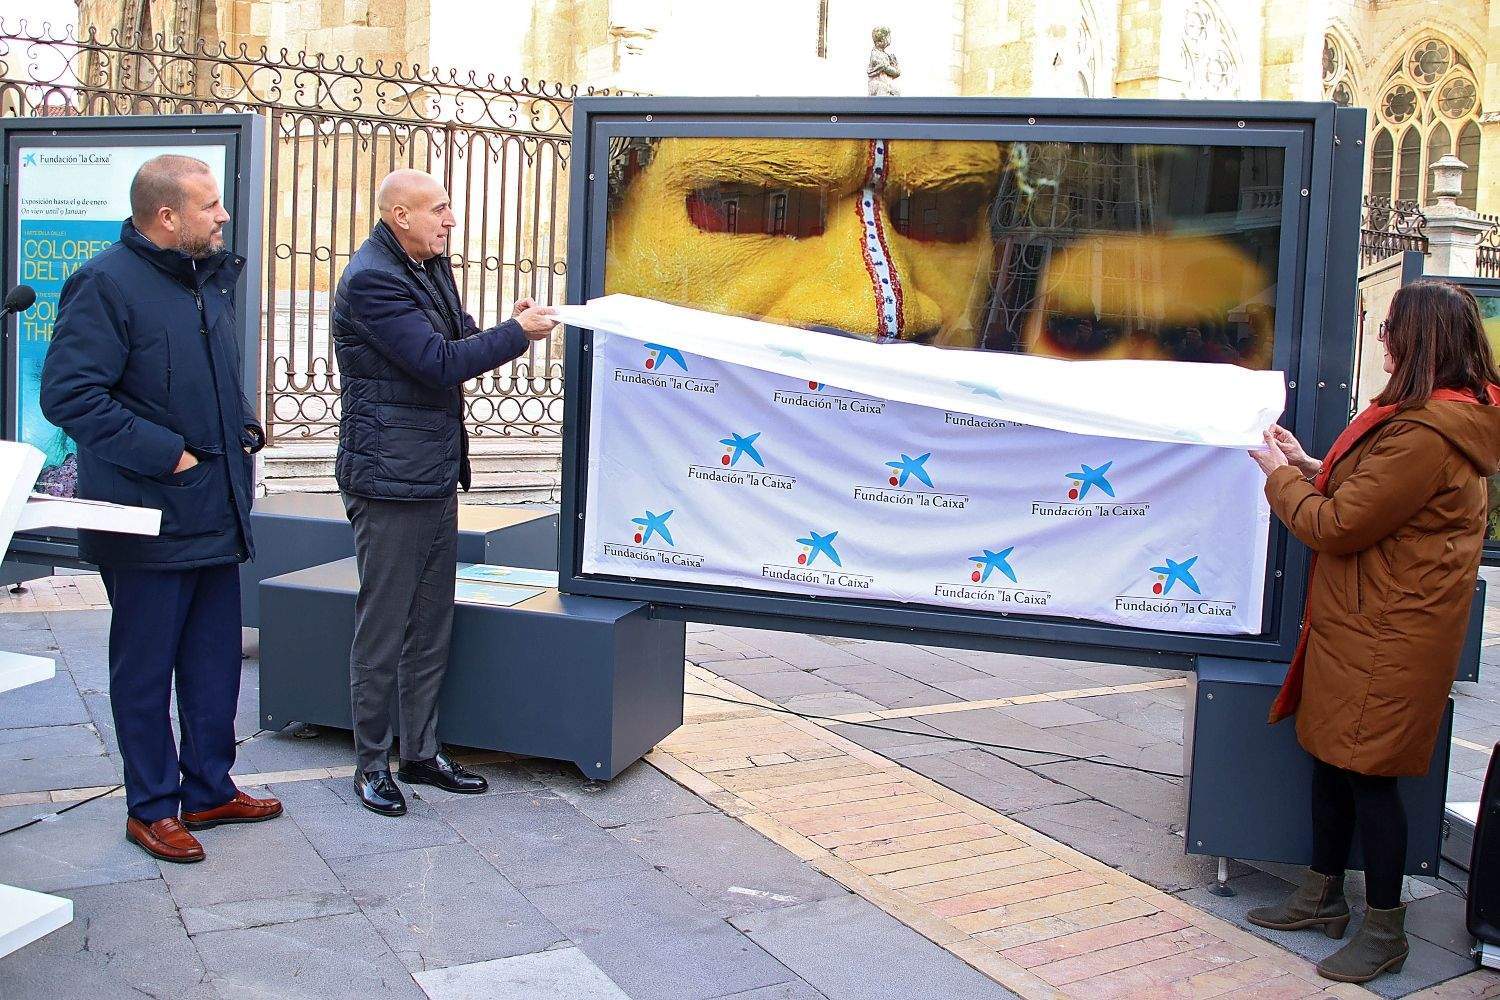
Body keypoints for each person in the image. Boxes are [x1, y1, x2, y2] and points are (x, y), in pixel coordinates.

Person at [1247, 279, 1500, 984]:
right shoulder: (1431, 419)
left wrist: (1276, 477)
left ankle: (1385, 931)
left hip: (1390, 633)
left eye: (1390, 328)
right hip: (1368, 623)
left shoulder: (1426, 432)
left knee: (1368, 777)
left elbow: (1337, 524)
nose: (1382, 339)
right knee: (1332, 760)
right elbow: (1377, 495)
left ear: (1419, 340)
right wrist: (1310, 465)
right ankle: (1321, 895)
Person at [40, 155, 281, 864]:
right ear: (167, 215)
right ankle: (150, 807)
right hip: (145, 515)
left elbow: (215, 372)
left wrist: (242, 427)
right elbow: (72, 396)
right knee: (145, 671)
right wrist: (168, 454)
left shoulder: (206, 277)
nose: (224, 215)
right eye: (210, 205)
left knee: (214, 662)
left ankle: (208, 786)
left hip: (215, 508)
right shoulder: (105, 282)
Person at [333, 169, 557, 816]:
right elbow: (436, 362)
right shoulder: (373, 279)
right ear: (398, 214)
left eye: (450, 208)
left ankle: (421, 752)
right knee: (384, 630)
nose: (450, 219)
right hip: (387, 481)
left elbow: (457, 337)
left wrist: (506, 325)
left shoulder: (428, 264)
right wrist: (519, 337)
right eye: (438, 209)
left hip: (429, 472)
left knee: (430, 625)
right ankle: (372, 764)